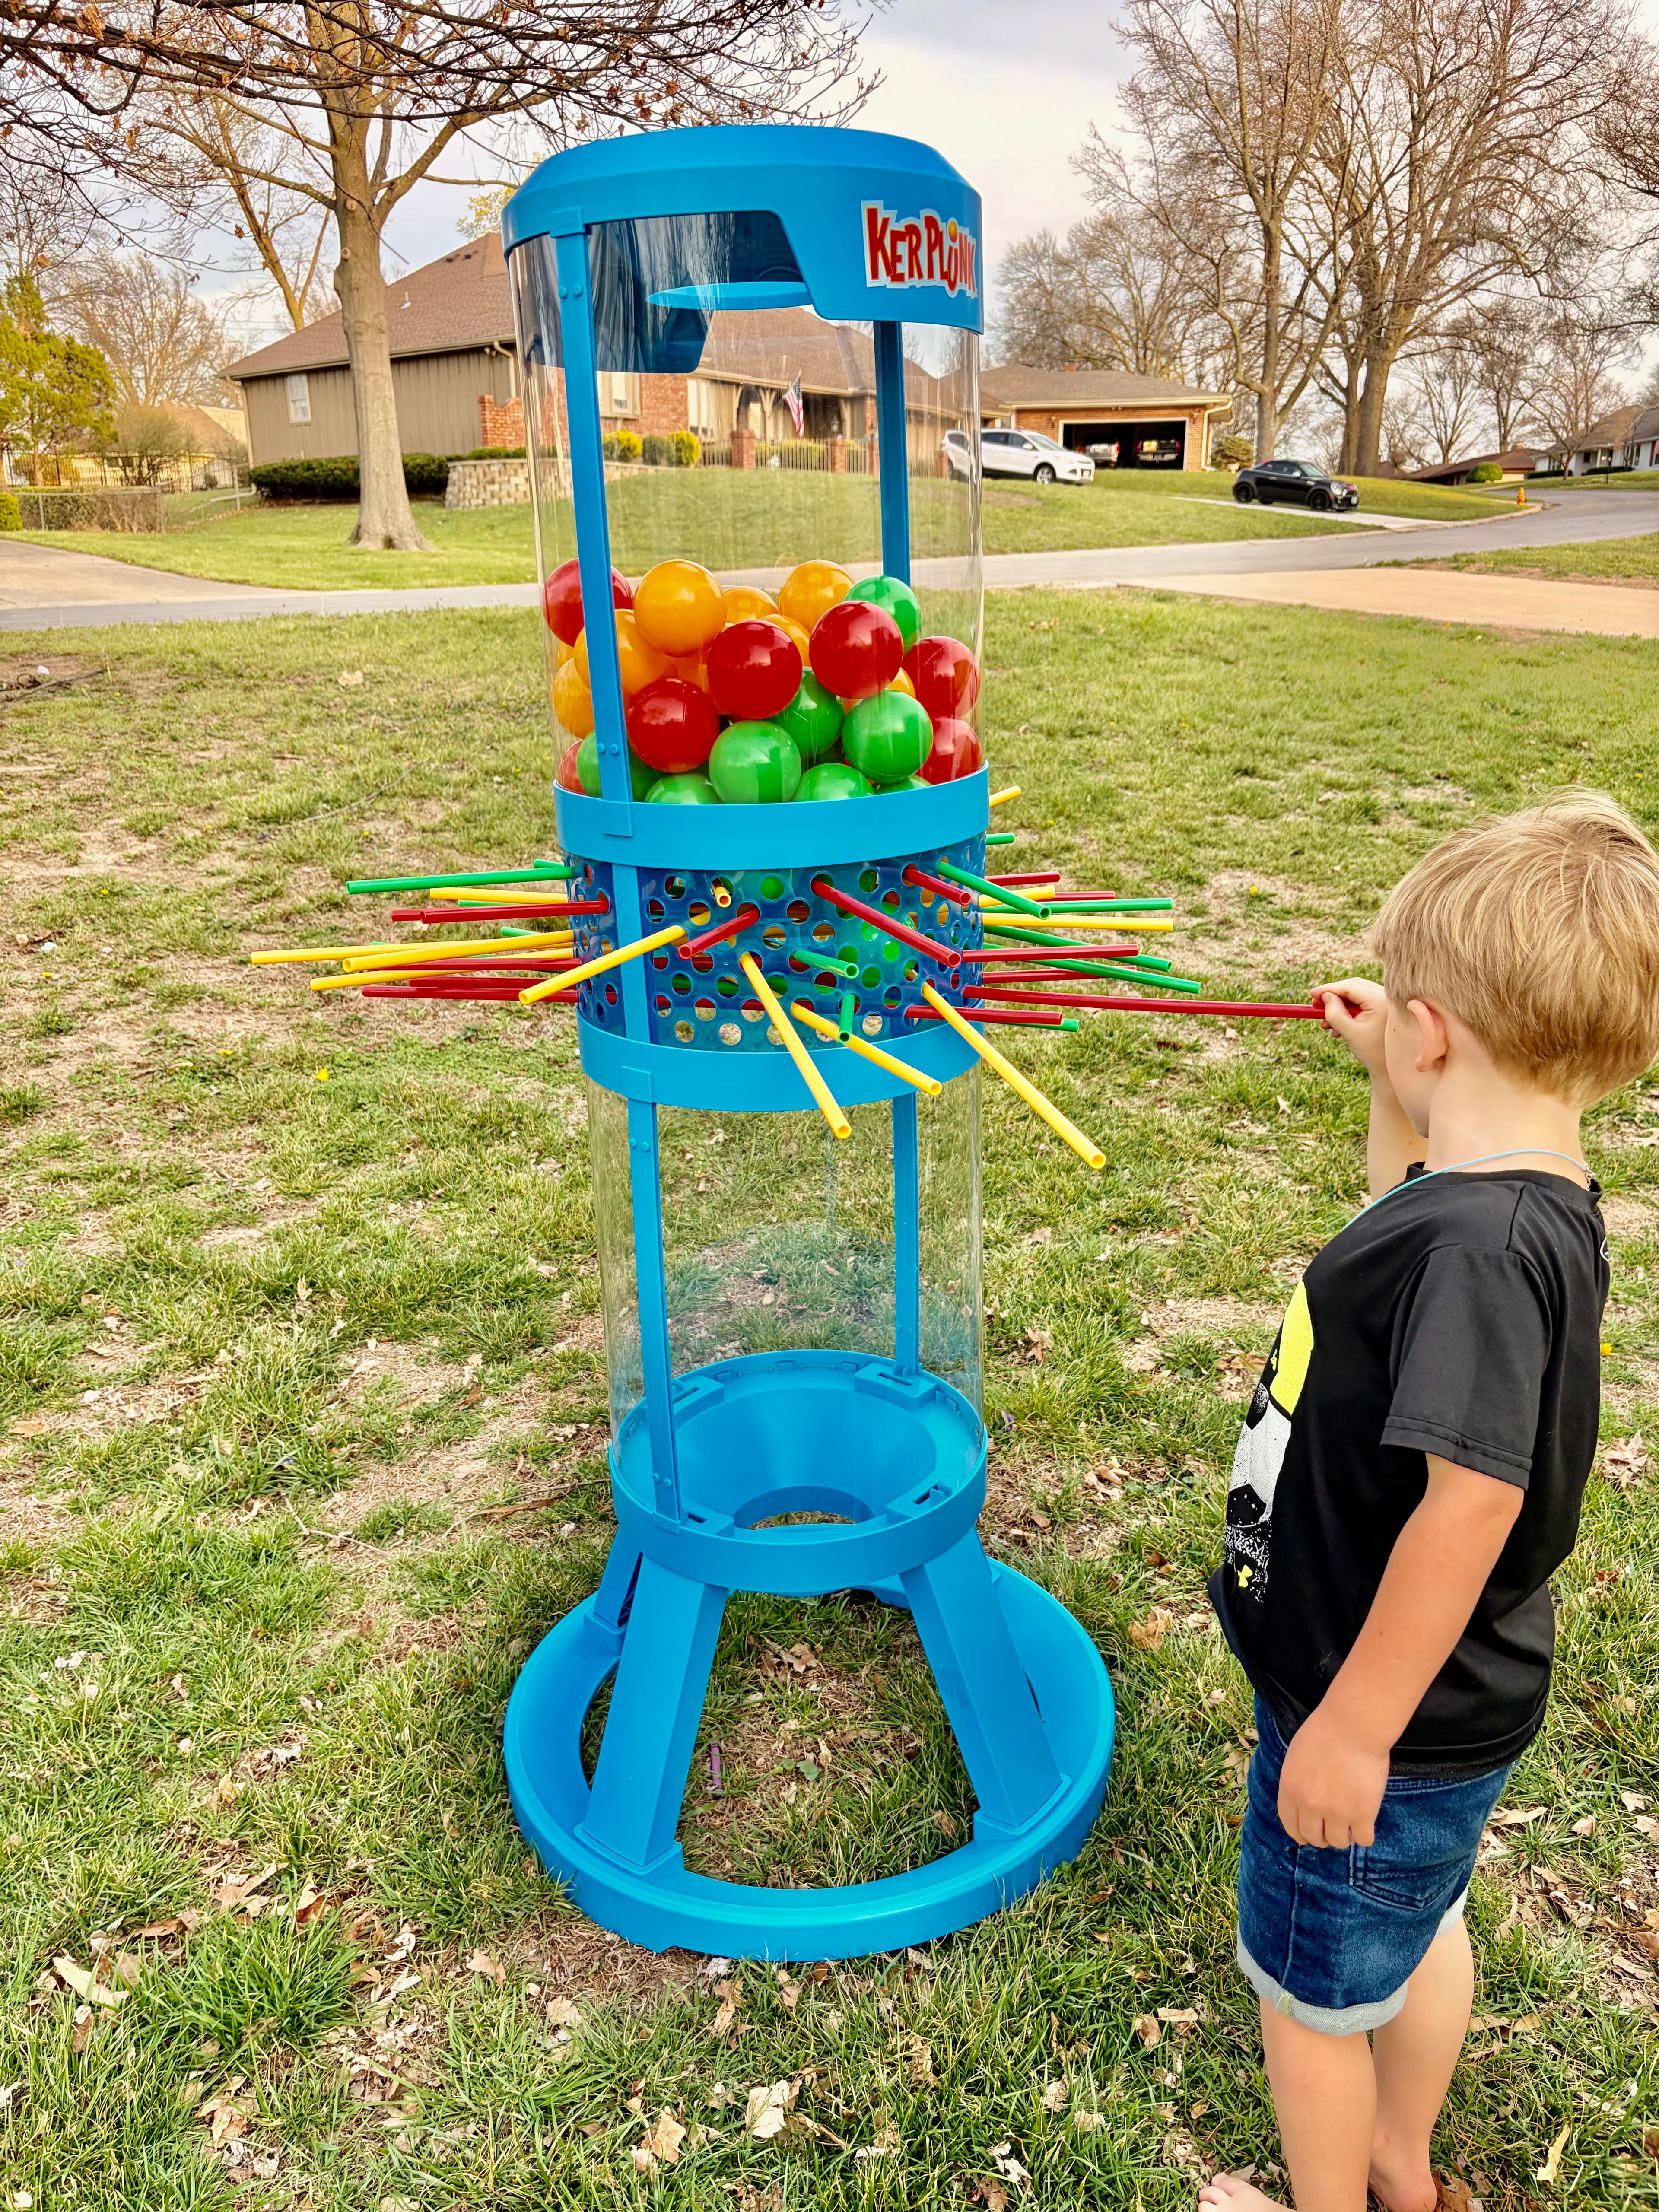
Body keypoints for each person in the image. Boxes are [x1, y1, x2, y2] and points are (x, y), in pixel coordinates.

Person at [1200, 792, 1659, 2212]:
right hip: (1446, 1708)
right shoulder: (1521, 1191)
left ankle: (1336, 2195)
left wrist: (1348, 1730)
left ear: (1440, 1025)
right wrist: (1388, 1083)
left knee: (1311, 1997)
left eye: (1404, 1010)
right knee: (1419, 1923)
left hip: (1376, 1706)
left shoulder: (1475, 1247)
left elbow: (1468, 1504)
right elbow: (1397, 1201)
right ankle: (1403, 2164)